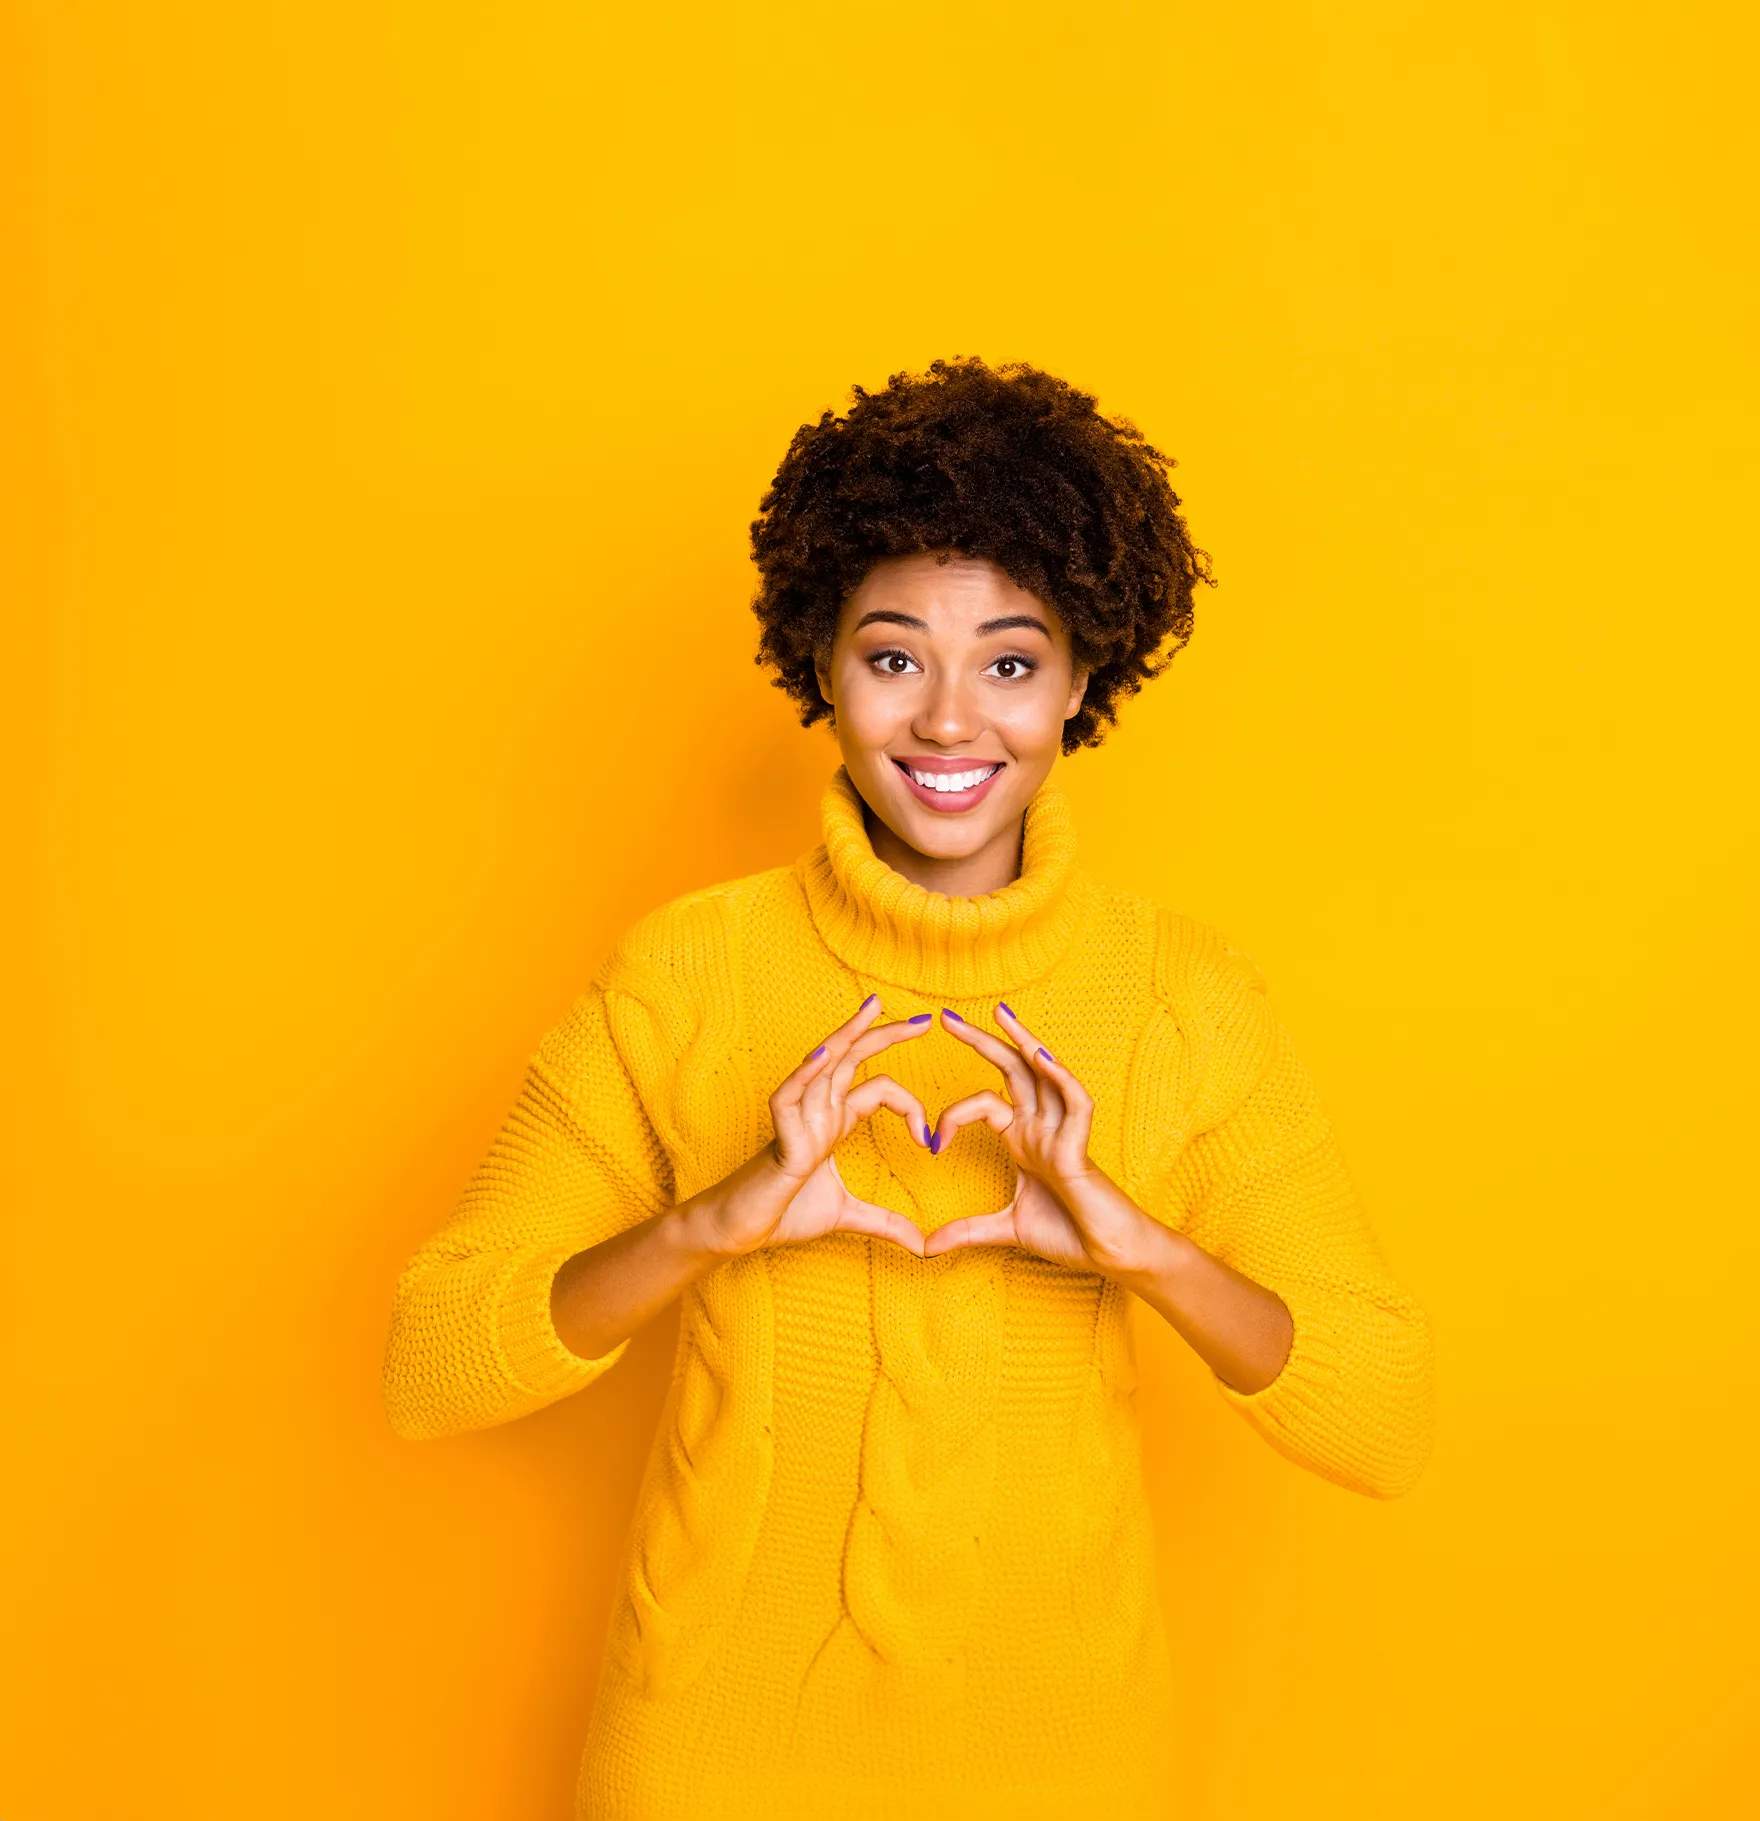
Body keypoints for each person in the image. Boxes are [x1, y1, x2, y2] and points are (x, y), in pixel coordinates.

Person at [382, 357, 1435, 1820]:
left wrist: (1143, 1250)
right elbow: (430, 1364)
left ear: (1085, 679)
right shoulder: (687, 976)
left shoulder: (1190, 1000)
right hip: (707, 1760)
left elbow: (1382, 1421)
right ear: (822, 660)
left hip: (1061, 1763)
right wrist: (713, 1222)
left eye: (1011, 661)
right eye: (893, 657)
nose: (949, 720)